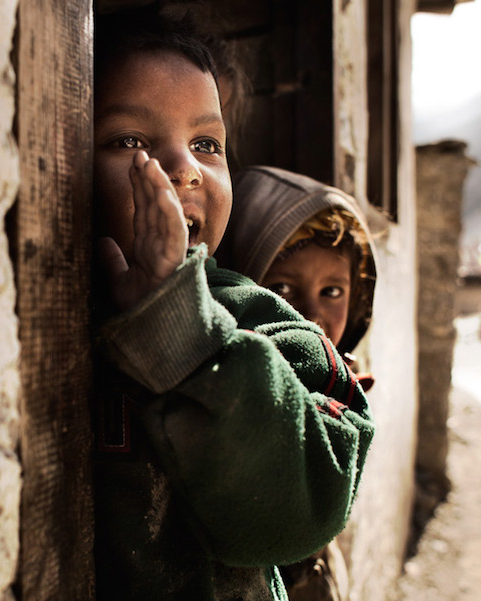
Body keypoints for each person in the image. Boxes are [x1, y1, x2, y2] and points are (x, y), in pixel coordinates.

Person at [92, 7, 374, 600]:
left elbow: (302, 514)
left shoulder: (259, 320)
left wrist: (181, 334)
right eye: (130, 141)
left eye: (206, 143)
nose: (184, 169)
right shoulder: (48, 316)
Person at [217, 165, 380, 600]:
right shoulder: (229, 390)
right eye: (283, 289)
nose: (311, 316)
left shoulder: (341, 381)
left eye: (332, 291)